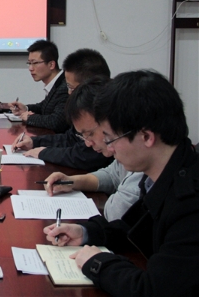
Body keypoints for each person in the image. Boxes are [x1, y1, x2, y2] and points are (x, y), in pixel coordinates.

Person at [43, 70, 199, 296]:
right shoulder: (162, 176)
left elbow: (153, 290)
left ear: (146, 137)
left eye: (110, 138)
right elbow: (133, 229)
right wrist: (85, 232)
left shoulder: (190, 203)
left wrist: (98, 263)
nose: (109, 147)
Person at [40, 78, 142, 221]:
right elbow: (112, 175)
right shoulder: (126, 154)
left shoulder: (141, 162)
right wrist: (71, 181)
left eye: (90, 134)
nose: (88, 143)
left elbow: (116, 214)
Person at [13, 48, 113, 171]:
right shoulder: (85, 110)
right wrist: (34, 142)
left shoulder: (106, 112)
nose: (69, 93)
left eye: (71, 88)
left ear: (89, 86)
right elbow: (70, 138)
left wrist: (43, 152)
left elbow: (84, 156)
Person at [10, 40, 69, 133]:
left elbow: (56, 121)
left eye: (35, 63)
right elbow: (45, 107)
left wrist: (30, 118)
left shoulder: (65, 86)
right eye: (29, 63)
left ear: (51, 65)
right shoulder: (57, 82)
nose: (30, 68)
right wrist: (26, 108)